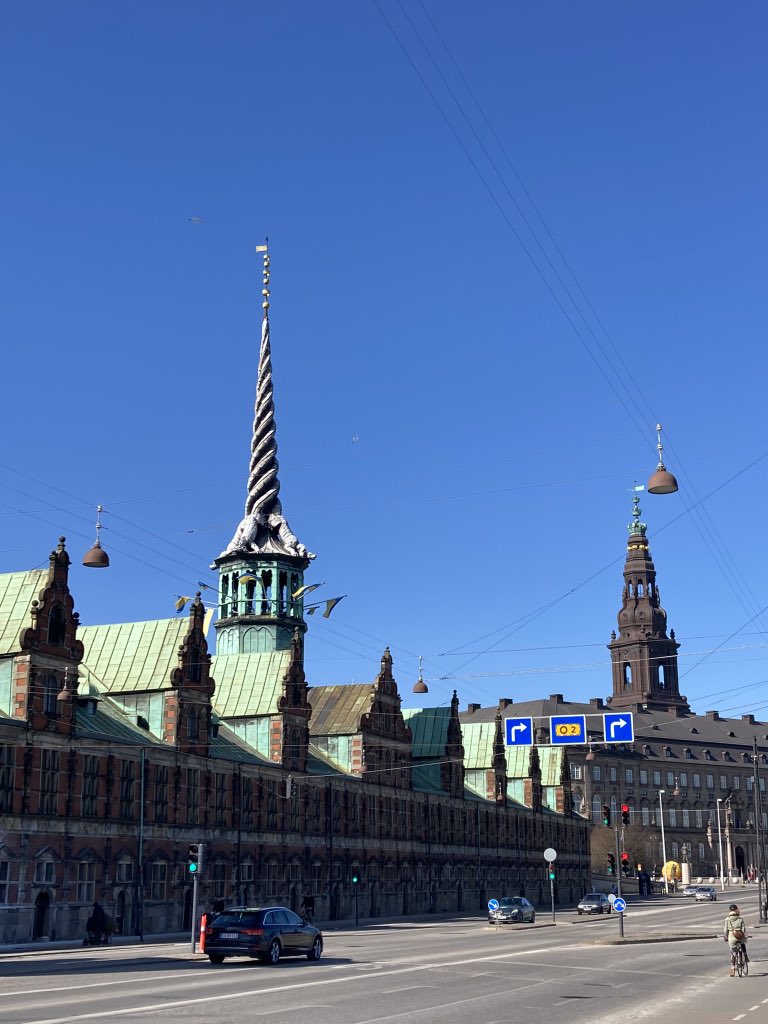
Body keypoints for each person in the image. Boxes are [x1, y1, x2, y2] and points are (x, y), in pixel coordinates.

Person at [723, 903, 749, 976]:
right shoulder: (741, 919)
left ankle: (732, 969)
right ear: (736, 910)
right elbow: (743, 928)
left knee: (733, 952)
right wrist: (743, 933)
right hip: (740, 935)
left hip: (732, 936)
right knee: (743, 943)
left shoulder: (727, 919)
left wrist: (725, 936)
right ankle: (745, 956)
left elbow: (725, 930)